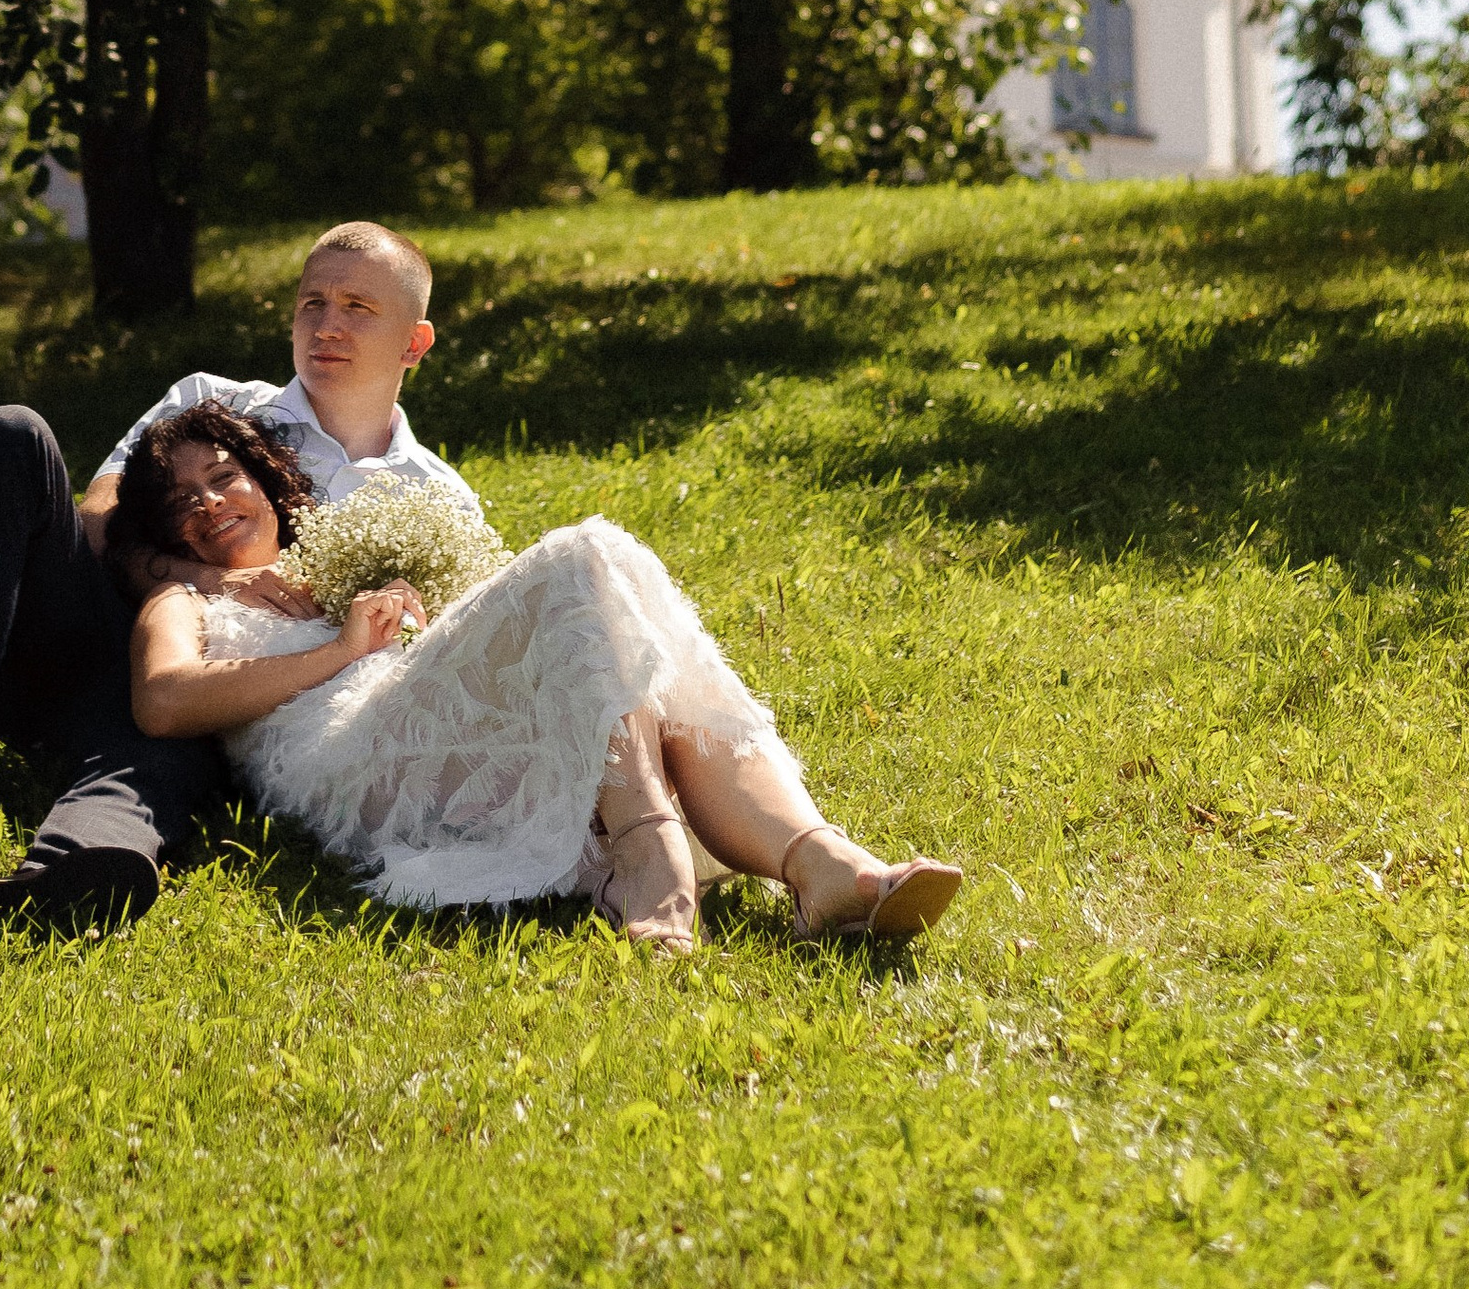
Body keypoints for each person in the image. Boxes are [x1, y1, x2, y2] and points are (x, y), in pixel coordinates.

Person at [113, 403, 964, 952]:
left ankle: (825, 866)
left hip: (428, 731)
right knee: (584, 554)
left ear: (265, 480)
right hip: (349, 765)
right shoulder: (182, 600)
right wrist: (339, 652)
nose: (210, 503)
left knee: (632, 673)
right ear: (164, 530)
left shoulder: (336, 567)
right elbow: (162, 702)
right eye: (181, 499)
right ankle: (649, 850)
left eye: (223, 476)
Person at [0, 220, 467, 929]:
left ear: (415, 342)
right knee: (6, 434)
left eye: (358, 308)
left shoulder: (437, 497)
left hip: (226, 710)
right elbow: (100, 526)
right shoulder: (213, 402)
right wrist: (203, 582)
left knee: (168, 750)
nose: (327, 326)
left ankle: (78, 870)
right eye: (312, 303)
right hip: (96, 637)